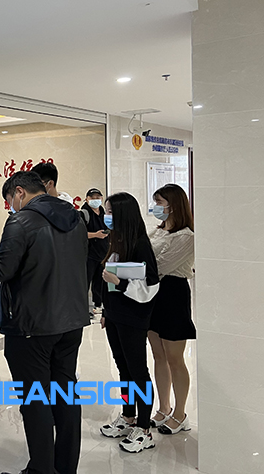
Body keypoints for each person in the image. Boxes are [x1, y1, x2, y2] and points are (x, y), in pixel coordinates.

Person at [0, 171, 89, 474]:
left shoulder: (21, 221)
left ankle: (41, 470)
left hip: (32, 325)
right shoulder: (75, 218)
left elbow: (3, 269)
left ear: (19, 192)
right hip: (72, 321)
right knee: (65, 394)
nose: (11, 207)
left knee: (35, 400)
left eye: (10, 201)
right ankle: (65, 467)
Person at [99, 192, 160, 453]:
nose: (106, 216)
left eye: (111, 212)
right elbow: (107, 278)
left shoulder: (140, 244)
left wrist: (119, 283)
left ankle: (144, 428)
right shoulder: (116, 240)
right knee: (123, 369)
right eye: (106, 211)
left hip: (133, 318)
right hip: (114, 315)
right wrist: (106, 309)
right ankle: (128, 416)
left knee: (138, 372)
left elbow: (150, 286)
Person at [147, 184, 196, 435]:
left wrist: (138, 267)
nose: (156, 207)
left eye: (159, 202)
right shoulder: (157, 231)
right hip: (152, 295)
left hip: (173, 294)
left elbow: (159, 266)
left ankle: (180, 413)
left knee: (175, 359)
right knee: (158, 355)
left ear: (173, 205)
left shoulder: (187, 236)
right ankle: (164, 407)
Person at [81, 188, 109, 316]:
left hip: (103, 253)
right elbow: (79, 234)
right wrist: (95, 235)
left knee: (100, 281)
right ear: (86, 199)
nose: (95, 200)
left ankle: (98, 305)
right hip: (88, 254)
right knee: (85, 281)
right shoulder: (83, 214)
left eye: (98, 197)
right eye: (92, 198)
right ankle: (82, 308)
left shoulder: (104, 213)